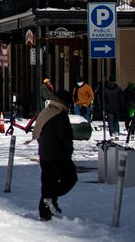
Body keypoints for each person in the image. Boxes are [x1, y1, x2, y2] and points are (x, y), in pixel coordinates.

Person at [33, 89, 76, 220]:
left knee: (48, 182)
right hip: (59, 156)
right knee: (70, 178)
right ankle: (50, 198)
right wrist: (69, 150)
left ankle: (44, 213)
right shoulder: (60, 116)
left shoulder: (45, 113)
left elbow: (38, 133)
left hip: (44, 154)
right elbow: (65, 138)